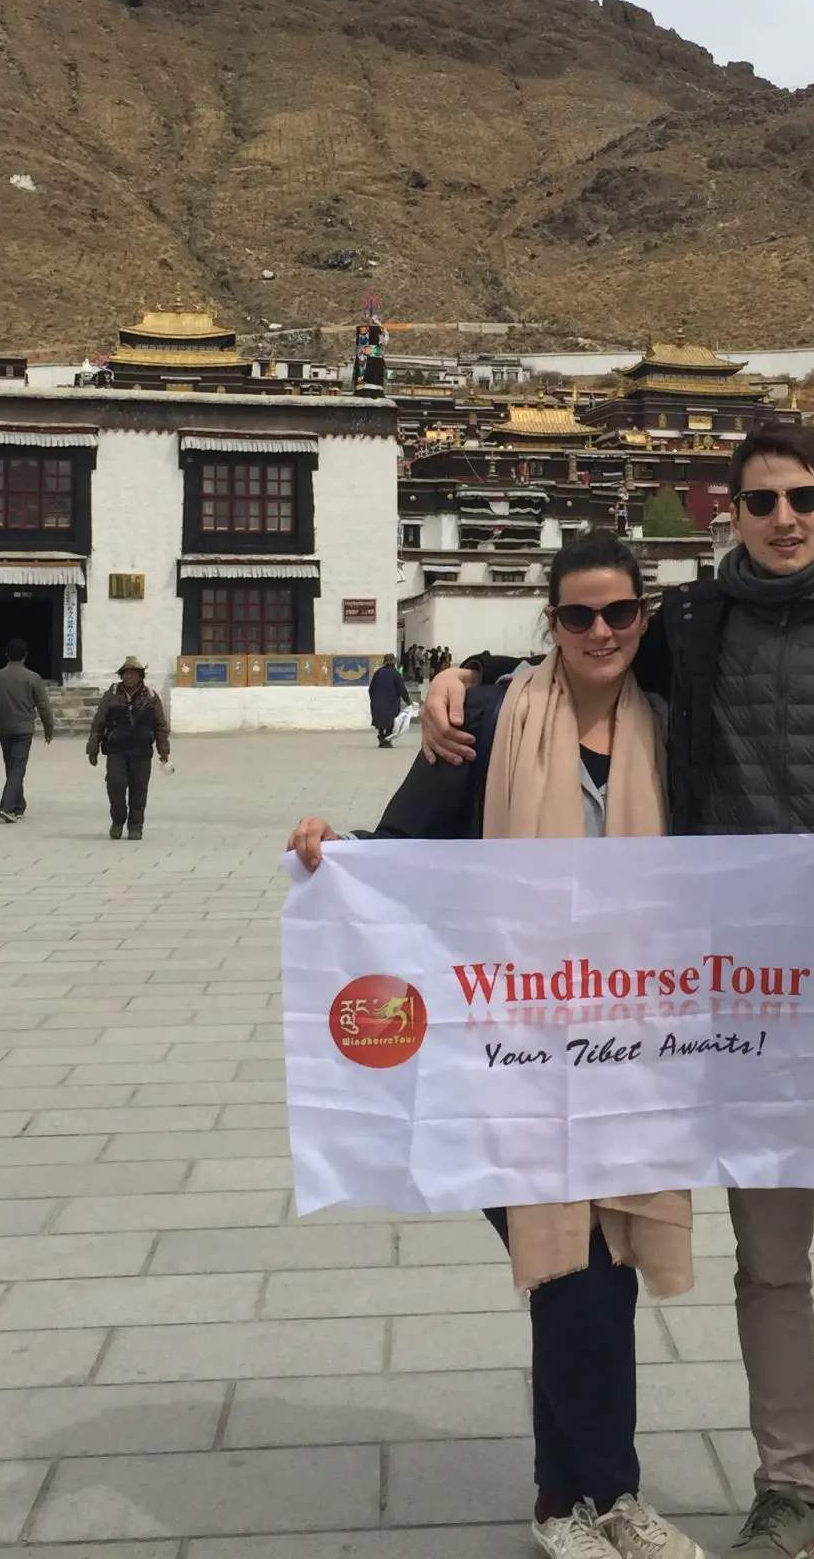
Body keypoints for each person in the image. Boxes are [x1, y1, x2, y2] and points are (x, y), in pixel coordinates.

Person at [421, 428, 814, 1559]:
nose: (783, 518)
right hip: (747, 1002)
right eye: (761, 501)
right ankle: (785, 1489)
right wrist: (457, 671)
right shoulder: (696, 627)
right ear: (733, 516)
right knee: (770, 1263)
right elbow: (588, 648)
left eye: (802, 497)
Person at [288, 532, 705, 1559]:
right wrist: (335, 852)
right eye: (578, 615)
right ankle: (605, 1496)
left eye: (619, 613)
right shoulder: (485, 720)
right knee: (577, 1274)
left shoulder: (678, 727)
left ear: (643, 618)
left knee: (589, 1274)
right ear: (550, 623)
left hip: (632, 1051)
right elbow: (407, 851)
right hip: (506, 1050)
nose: (600, 632)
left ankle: (568, 1499)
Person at [85, 654, 171, 841]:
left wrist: (163, 750)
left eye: (133, 673)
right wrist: (93, 747)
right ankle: (118, 820)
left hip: (142, 750)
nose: (129, 676)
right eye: (125, 673)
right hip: (116, 749)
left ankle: (135, 826)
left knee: (139, 789)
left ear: (140, 675)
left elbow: (160, 725)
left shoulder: (150, 697)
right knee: (115, 784)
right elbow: (98, 722)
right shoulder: (112, 695)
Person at [0, 639, 57, 822]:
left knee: (12, 766)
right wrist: (49, 728)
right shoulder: (33, 678)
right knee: (17, 767)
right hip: (24, 728)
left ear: (6, 655)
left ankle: (18, 805)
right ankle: (7, 807)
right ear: (25, 656)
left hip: (3, 727)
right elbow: (43, 706)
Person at [369, 653, 408, 748]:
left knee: (381, 721)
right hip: (391, 703)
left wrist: (373, 699)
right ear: (394, 662)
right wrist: (408, 701)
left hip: (377, 702)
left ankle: (381, 736)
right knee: (391, 722)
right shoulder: (396, 674)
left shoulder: (378, 673)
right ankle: (387, 739)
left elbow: (371, 689)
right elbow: (402, 689)